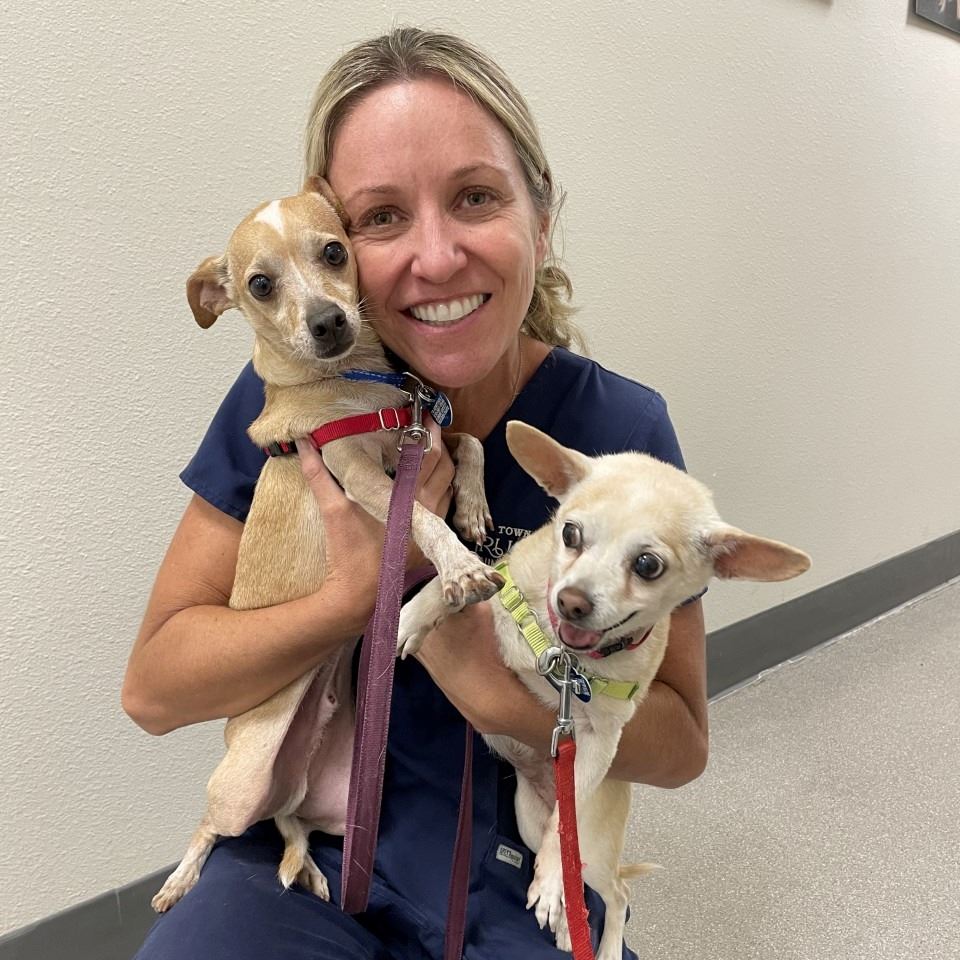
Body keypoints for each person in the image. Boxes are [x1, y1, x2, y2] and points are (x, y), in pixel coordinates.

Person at [123, 26, 708, 960]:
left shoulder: (618, 436)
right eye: (383, 217)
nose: (435, 259)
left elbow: (679, 747)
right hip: (307, 853)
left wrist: (494, 690)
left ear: (542, 216)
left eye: (475, 197)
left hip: (519, 879)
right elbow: (155, 690)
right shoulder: (295, 402)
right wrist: (353, 596)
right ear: (338, 235)